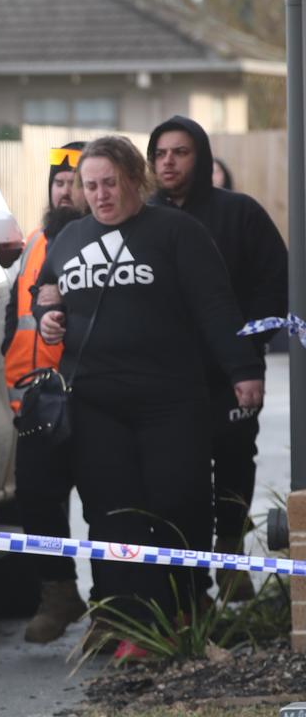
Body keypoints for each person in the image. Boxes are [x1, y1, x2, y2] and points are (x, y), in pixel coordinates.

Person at [35, 136, 264, 659]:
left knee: (177, 501)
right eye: (89, 186)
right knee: (112, 513)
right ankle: (128, 623)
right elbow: (49, 295)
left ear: (136, 179)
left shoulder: (177, 232)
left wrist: (244, 369)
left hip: (171, 398)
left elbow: (216, 306)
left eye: (109, 183)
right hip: (95, 401)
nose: (99, 195)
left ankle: (187, 606)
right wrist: (48, 318)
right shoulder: (69, 238)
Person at [146, 116, 288, 601]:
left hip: (233, 369)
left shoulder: (240, 213)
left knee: (233, 461)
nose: (169, 162)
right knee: (178, 472)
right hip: (168, 374)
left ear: (201, 157)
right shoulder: (143, 218)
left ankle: (230, 554)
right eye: (161, 153)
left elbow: (276, 280)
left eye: (180, 152)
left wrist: (250, 346)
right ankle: (188, 581)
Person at [0, 142, 89, 644]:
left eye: (75, 183)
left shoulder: (103, 241)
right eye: (59, 182)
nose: (65, 192)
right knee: (35, 500)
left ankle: (118, 608)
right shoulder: (34, 241)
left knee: (104, 506)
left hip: (88, 398)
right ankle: (58, 593)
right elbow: (17, 319)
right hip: (36, 404)